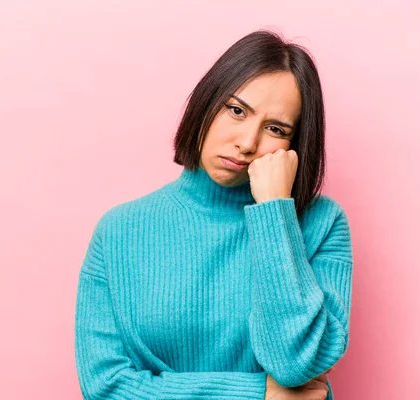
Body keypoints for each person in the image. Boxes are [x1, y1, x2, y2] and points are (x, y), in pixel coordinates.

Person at [74, 29, 353, 400]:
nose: (248, 142)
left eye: (275, 129)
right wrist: (258, 395)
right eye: (237, 111)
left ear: (294, 143)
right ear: (207, 103)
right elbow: (105, 387)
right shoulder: (120, 231)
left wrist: (273, 212)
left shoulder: (322, 224)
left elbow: (295, 363)